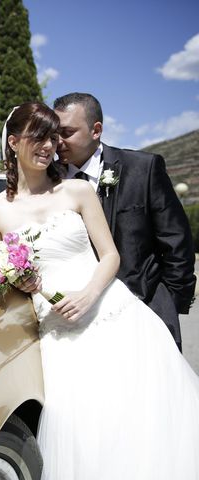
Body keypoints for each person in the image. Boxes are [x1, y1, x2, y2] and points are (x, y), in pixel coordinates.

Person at [0, 102, 199, 480]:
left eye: (53, 136)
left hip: (114, 315)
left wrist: (90, 294)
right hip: (60, 336)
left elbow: (110, 255)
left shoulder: (77, 191)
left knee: (140, 419)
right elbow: (2, 274)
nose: (49, 145)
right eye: (38, 136)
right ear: (13, 143)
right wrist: (18, 280)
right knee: (86, 429)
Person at [53, 92, 196, 351]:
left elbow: (176, 242)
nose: (58, 142)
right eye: (54, 134)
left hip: (145, 308)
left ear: (96, 130)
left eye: (67, 132)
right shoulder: (48, 181)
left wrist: (169, 303)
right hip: (75, 318)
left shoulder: (143, 168)